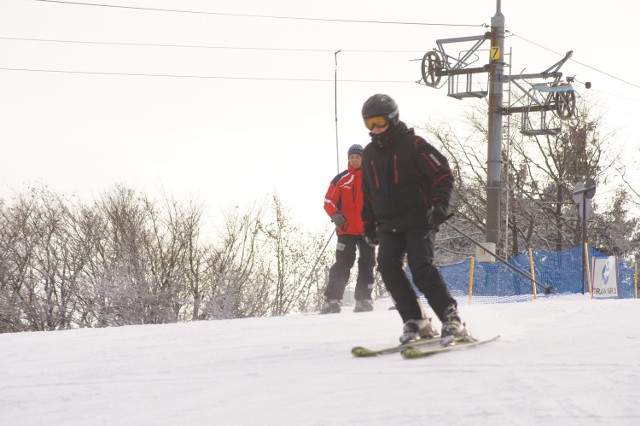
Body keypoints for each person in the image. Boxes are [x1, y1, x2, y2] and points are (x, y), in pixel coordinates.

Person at [359, 93, 470, 344]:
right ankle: (416, 320)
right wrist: (368, 224)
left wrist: (439, 205)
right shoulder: (369, 154)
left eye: (378, 122)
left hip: (418, 219)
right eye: (369, 124)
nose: (375, 129)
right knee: (387, 267)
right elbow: (367, 193)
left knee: (420, 268)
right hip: (388, 224)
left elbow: (442, 173)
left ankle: (451, 319)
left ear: (392, 118)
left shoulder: (414, 145)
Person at [321, 144, 376, 314]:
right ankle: (332, 300)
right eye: (352, 157)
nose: (355, 160)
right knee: (343, 265)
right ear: (348, 159)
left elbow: (384, 199)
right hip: (346, 231)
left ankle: (363, 299)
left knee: (367, 263)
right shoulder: (341, 179)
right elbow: (328, 201)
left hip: (368, 230)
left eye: (358, 157)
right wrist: (335, 215)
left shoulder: (373, 178)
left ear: (363, 158)